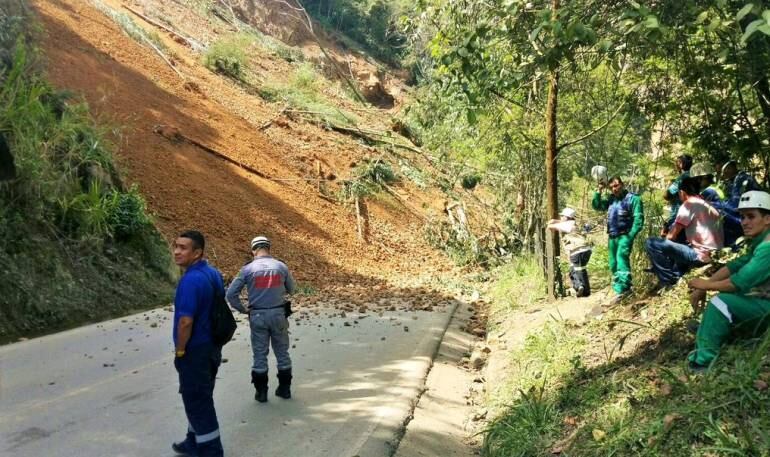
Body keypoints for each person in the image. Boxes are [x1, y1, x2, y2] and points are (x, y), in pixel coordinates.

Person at [687, 191, 770, 371]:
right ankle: (709, 332)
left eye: (751, 216)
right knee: (728, 296)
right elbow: (733, 266)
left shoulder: (767, 248)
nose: (745, 222)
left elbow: (736, 283)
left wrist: (705, 285)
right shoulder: (760, 241)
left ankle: (703, 360)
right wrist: (705, 285)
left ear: (767, 219)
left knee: (720, 301)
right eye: (742, 217)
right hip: (764, 303)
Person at [171, 230, 225, 457]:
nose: (176, 251)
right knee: (200, 397)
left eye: (183, 248)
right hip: (212, 346)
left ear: (197, 253)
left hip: (195, 351)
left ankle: (211, 450)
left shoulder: (190, 281)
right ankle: (193, 441)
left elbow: (185, 321)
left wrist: (181, 350)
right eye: (175, 246)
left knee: (197, 400)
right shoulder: (212, 273)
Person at [226, 236, 296, 403]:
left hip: (257, 315)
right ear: (268, 248)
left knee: (259, 354)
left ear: (253, 250)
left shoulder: (247, 270)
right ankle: (284, 390)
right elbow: (292, 290)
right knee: (282, 352)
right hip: (279, 314)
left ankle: (261, 393)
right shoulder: (281, 267)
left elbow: (230, 294)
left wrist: (243, 310)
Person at [644, 178, 723, 289]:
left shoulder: (688, 205)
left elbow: (671, 236)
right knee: (681, 245)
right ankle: (676, 276)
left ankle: (667, 282)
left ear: (682, 192)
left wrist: (663, 237)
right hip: (716, 253)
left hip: (700, 255)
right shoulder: (706, 204)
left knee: (651, 243)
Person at [592, 176, 645, 303]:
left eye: (616, 186)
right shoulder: (611, 200)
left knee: (622, 261)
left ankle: (625, 290)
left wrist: (630, 236)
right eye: (611, 188)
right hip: (612, 237)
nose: (614, 189)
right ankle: (618, 290)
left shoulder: (634, 199)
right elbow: (597, 206)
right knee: (613, 264)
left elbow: (638, 220)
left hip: (624, 236)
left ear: (622, 184)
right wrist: (598, 191)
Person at [547, 207, 592, 297]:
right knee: (575, 270)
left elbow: (551, 226)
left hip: (577, 251)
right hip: (585, 249)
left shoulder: (566, 225)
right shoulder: (574, 223)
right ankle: (581, 288)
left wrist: (551, 223)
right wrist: (555, 220)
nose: (561, 218)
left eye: (563, 216)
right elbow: (560, 223)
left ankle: (582, 288)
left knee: (579, 271)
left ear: (567, 217)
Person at [661, 154, 693, 239]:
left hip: (678, 215)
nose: (675, 165)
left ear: (681, 164)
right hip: (692, 215)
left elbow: (667, 195)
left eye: (677, 162)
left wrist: (669, 187)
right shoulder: (695, 176)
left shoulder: (682, 178)